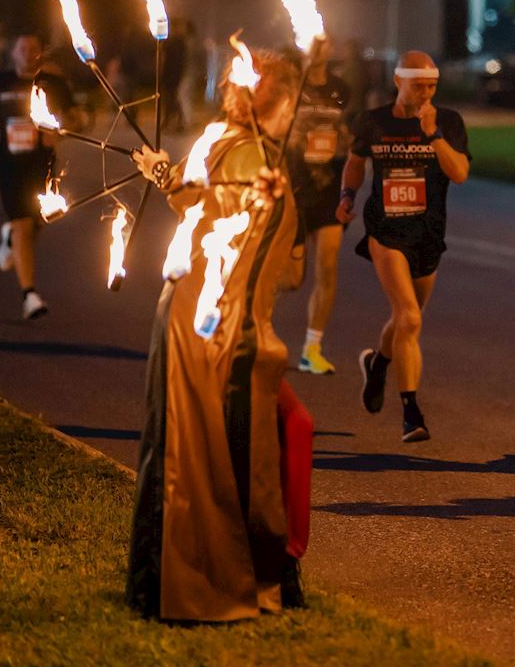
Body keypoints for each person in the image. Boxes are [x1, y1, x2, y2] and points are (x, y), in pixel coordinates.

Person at [127, 47, 312, 621]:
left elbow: (192, 198)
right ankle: (233, 579)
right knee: (219, 454)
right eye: (292, 106)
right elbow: (241, 244)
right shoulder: (254, 155)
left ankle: (258, 571)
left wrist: (162, 172)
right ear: (277, 101)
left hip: (190, 314)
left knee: (210, 447)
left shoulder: (220, 138)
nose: (296, 118)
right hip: (219, 327)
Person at [337, 50, 471, 442]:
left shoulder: (447, 122)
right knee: (410, 318)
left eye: (432, 86)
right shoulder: (373, 122)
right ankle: (411, 414)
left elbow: (460, 173)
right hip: (386, 231)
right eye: (418, 86)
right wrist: (347, 196)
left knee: (402, 321)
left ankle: (378, 363)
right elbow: (355, 161)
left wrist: (433, 135)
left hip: (428, 234)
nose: (425, 93)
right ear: (398, 82)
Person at [0, 33, 82, 320]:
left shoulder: (53, 84)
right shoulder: (1, 82)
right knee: (23, 225)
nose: (27, 53)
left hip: (43, 165)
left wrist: (60, 130)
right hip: (10, 165)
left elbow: (76, 117)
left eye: (33, 49)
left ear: (40, 54)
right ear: (13, 53)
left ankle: (11, 239)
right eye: (21, 48)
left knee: (40, 220)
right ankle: (30, 295)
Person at [282, 35, 355, 376]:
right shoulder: (291, 88)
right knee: (292, 279)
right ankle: (243, 317)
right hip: (295, 190)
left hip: (328, 188)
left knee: (328, 268)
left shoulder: (342, 90)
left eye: (326, 41)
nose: (322, 45)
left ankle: (312, 349)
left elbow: (351, 136)